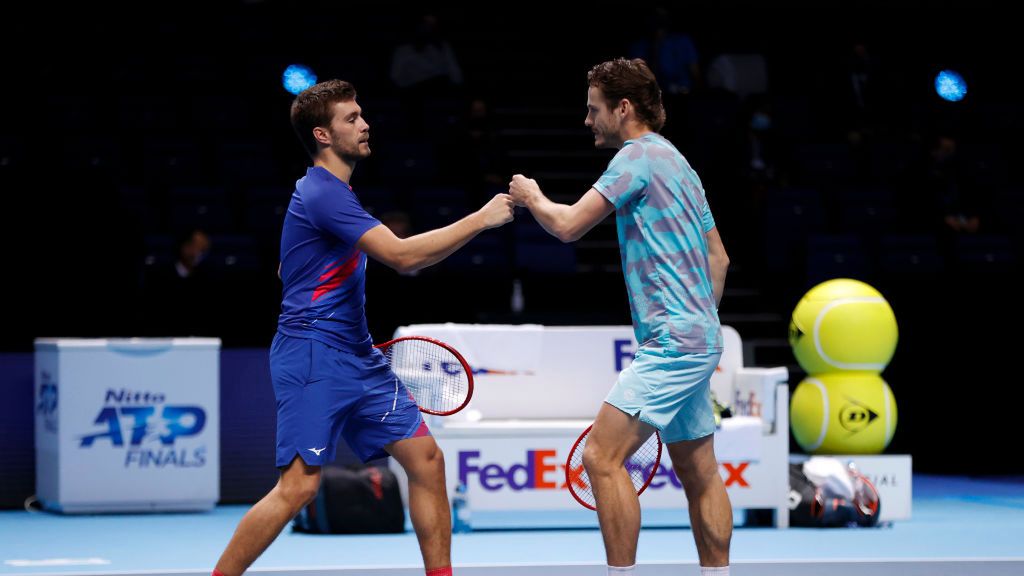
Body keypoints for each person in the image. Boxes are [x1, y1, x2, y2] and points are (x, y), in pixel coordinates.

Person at [212, 79, 514, 576]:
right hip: (313, 356)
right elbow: (402, 256)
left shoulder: (332, 196)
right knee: (299, 487)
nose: (365, 123)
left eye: (362, 114)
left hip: (357, 356)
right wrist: (481, 219)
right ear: (322, 135)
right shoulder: (322, 192)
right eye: (351, 118)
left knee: (426, 462)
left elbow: (288, 270)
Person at [508, 58, 732, 576]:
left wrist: (531, 195)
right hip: (698, 335)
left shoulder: (634, 158)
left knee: (600, 459)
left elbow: (567, 226)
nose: (587, 121)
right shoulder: (681, 164)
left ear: (623, 108)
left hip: (673, 342)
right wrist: (698, 321)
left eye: (593, 109)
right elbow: (719, 259)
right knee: (699, 472)